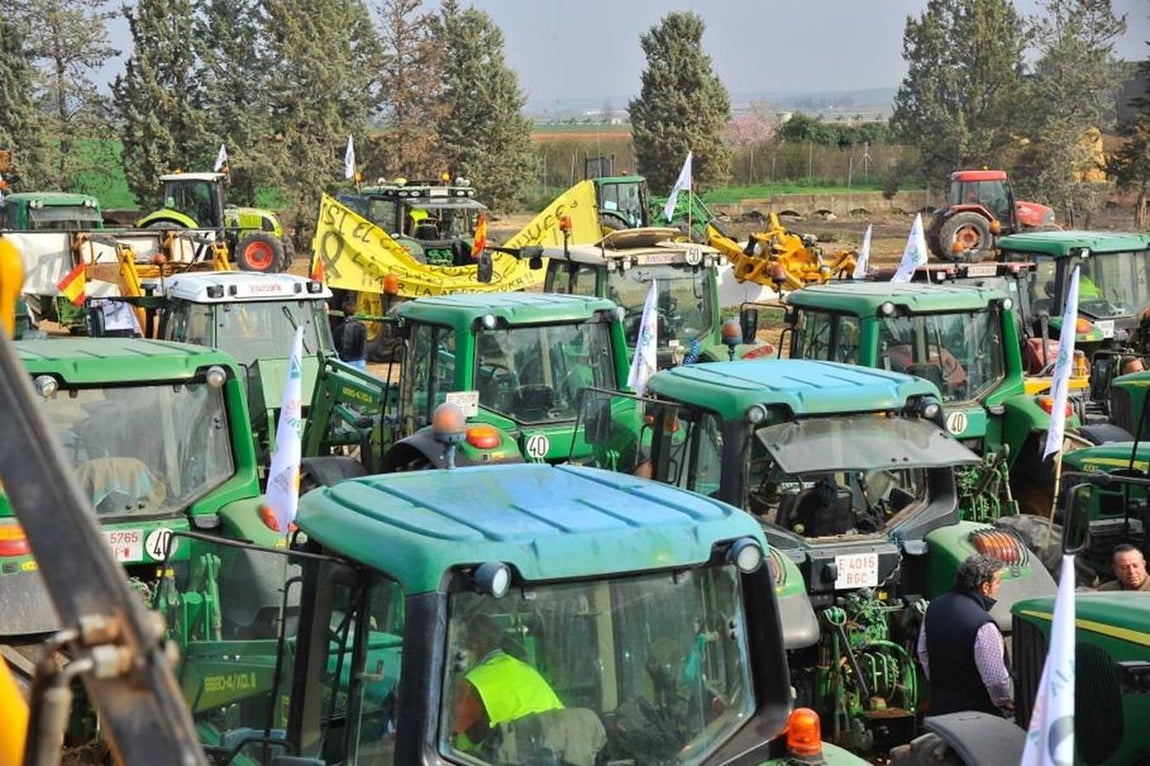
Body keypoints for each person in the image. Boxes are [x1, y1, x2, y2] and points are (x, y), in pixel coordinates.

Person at [916, 554, 1013, 717]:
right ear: (985, 587)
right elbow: (996, 680)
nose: (998, 588)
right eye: (997, 583)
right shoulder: (983, 625)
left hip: (941, 712)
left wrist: (941, 687)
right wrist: (1004, 701)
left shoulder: (934, 607)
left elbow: (923, 653)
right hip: (976, 718)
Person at [451, 613, 564, 751]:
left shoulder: (476, 682)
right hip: (559, 751)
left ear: (475, 646)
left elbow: (453, 736)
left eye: (460, 651)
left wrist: (455, 744)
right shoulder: (525, 669)